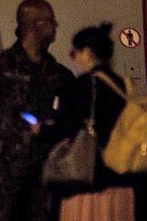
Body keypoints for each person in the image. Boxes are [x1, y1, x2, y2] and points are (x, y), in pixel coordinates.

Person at [0, 0, 73, 221]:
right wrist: (3, 141)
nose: (56, 27)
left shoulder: (56, 73)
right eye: (51, 21)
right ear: (35, 24)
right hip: (4, 176)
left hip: (43, 174)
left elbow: (65, 118)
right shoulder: (0, 66)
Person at [43, 23, 135, 221]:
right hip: (120, 181)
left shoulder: (85, 84)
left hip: (91, 180)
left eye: (73, 52)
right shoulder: (121, 84)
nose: (74, 58)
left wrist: (41, 130)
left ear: (87, 52)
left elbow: (66, 125)